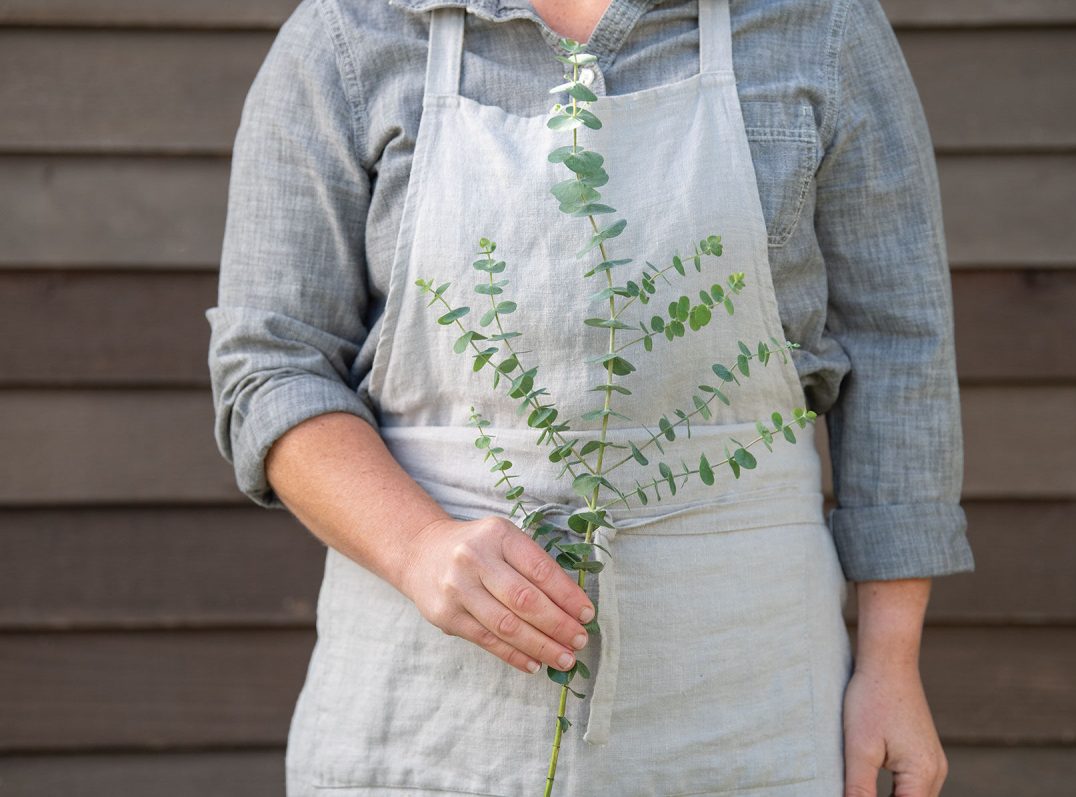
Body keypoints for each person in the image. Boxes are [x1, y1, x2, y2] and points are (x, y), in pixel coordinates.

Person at [205, 0, 976, 794]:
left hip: (750, 695)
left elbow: (897, 341)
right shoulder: (348, 34)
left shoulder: (822, 24)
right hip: (427, 714)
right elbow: (271, 363)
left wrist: (892, 660)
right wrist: (416, 545)